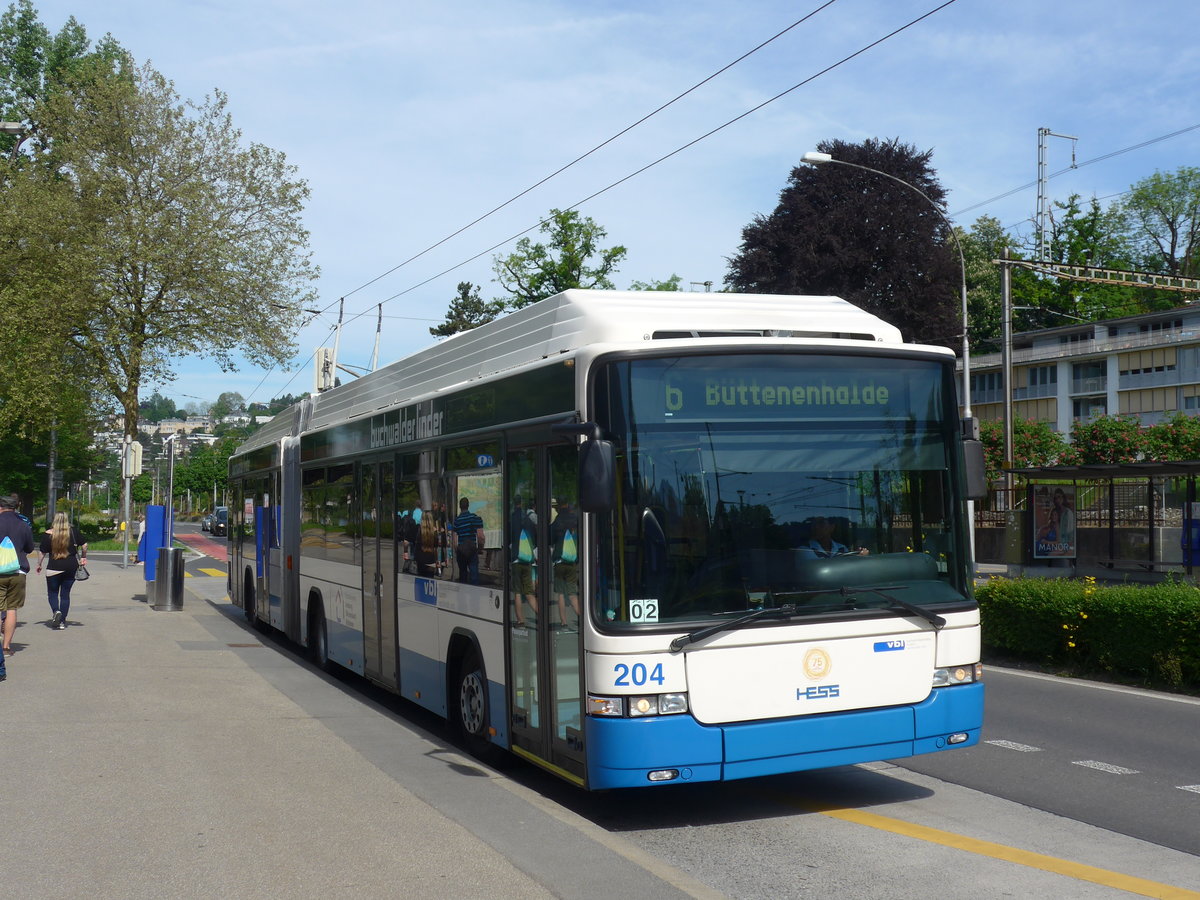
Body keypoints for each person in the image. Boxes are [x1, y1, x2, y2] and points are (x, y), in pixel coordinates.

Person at [0, 493, 36, 673]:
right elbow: (30, 547)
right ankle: (6, 647)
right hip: (18, 571)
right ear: (15, 507)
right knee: (11, 609)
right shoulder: (23, 524)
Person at [36, 512, 87, 630]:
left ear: (54, 520)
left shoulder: (48, 534)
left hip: (54, 567)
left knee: (52, 593)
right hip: (71, 567)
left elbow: (42, 552)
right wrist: (83, 557)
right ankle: (62, 621)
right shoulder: (73, 532)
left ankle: (56, 611)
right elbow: (84, 545)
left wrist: (39, 564)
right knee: (65, 595)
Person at [550, 499, 580, 629]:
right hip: (571, 561)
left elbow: (550, 538)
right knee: (572, 594)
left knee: (561, 594)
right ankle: (581, 618)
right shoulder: (575, 519)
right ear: (568, 505)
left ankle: (564, 623)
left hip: (559, 561)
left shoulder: (558, 520)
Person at [509, 496, 537, 626]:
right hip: (527, 559)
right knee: (529, 593)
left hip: (516, 559)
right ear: (522, 503)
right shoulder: (527, 518)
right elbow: (534, 537)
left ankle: (520, 620)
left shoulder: (512, 518)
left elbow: (508, 538)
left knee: (518, 593)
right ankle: (541, 614)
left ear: (514, 504)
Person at [451, 497, 484, 584]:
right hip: (472, 549)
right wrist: (480, 548)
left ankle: (463, 591)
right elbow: (481, 537)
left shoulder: (457, 520)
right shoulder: (475, 518)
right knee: (474, 575)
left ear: (460, 506)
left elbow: (454, 540)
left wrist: (457, 550)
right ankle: (474, 590)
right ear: (468, 506)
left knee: (463, 576)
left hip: (461, 551)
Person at [800, 516, 866, 558]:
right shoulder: (804, 550)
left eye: (821, 523)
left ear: (832, 527)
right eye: (814, 524)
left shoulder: (842, 548)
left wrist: (859, 558)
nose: (816, 527)